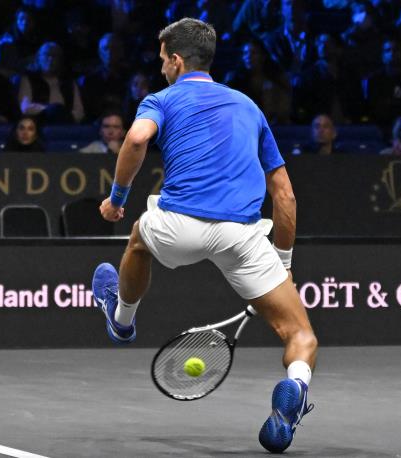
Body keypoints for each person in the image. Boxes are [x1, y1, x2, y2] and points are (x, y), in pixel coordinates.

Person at [91, 18, 317, 454]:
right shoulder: (249, 106)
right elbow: (285, 195)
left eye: (163, 60)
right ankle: (296, 388)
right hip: (243, 236)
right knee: (300, 336)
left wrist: (117, 199)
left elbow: (136, 139)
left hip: (180, 225)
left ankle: (121, 320)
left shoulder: (161, 99)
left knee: (138, 236)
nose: (161, 68)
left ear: (177, 61)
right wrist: (283, 265)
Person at [17, 42, 84, 124]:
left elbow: (79, 111)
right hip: (38, 124)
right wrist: (50, 110)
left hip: (65, 125)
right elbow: (25, 107)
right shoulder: (28, 79)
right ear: (38, 58)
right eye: (46, 55)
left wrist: (65, 116)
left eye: (55, 56)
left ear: (60, 60)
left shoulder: (69, 82)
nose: (50, 59)